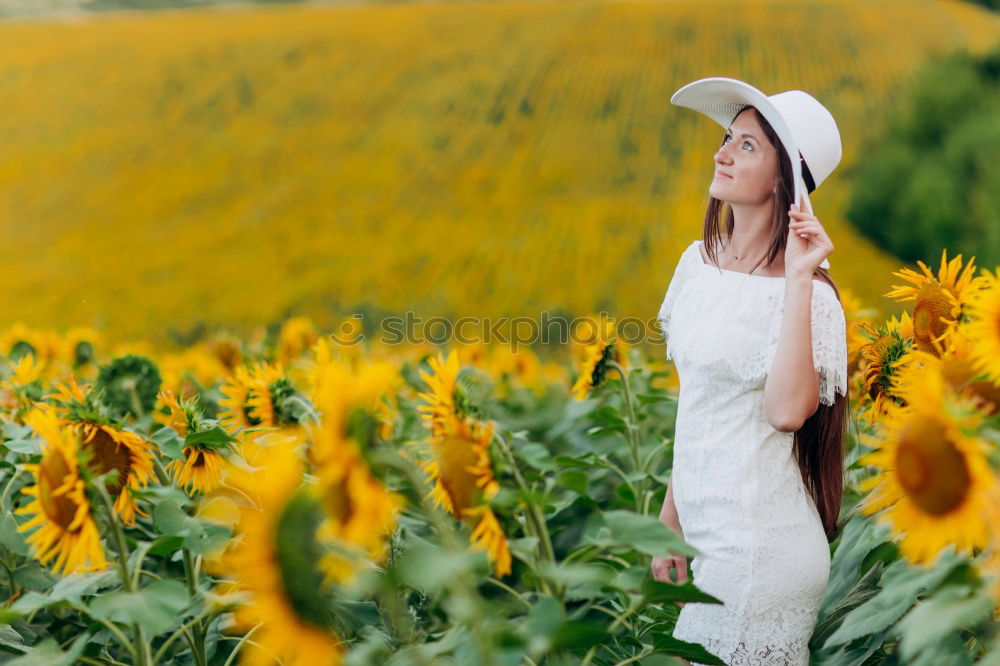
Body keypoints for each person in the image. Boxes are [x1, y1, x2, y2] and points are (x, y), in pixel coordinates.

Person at [650, 77, 850, 665]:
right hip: (708, 532)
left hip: (760, 548)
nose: (721, 153)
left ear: (785, 180)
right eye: (726, 138)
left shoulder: (811, 299)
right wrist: (671, 517)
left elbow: (787, 413)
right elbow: (703, 406)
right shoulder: (697, 263)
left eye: (746, 146)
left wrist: (798, 279)